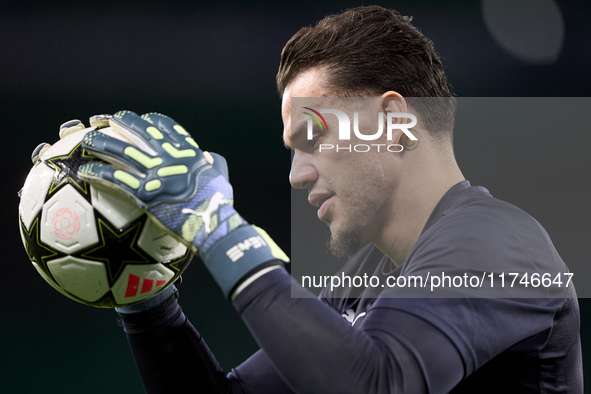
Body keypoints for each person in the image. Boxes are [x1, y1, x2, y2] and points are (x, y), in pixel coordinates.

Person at [56, 5, 582, 393]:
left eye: (313, 140)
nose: (296, 175)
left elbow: (375, 384)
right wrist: (146, 299)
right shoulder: (363, 276)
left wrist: (216, 224)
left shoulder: (500, 244)